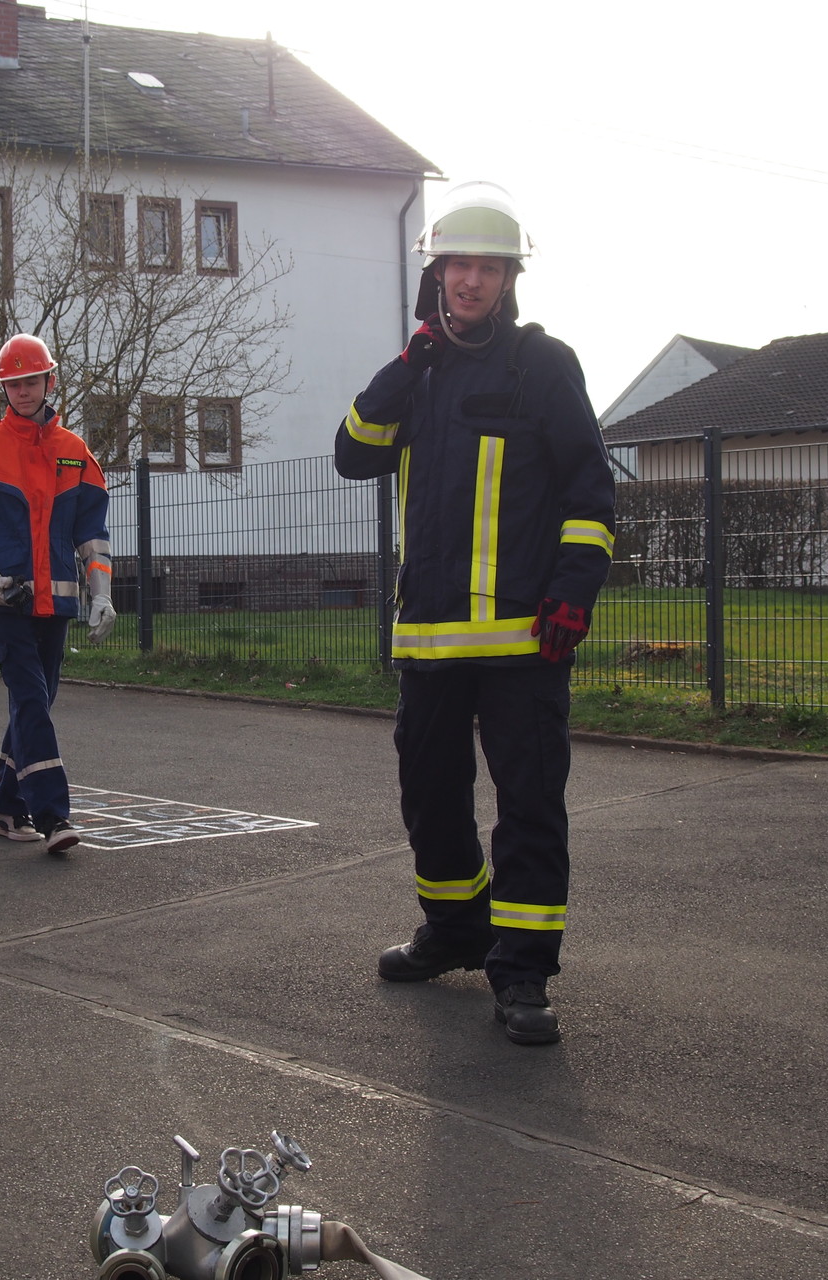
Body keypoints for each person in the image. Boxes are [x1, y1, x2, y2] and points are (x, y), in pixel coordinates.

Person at [333, 182, 617, 1045]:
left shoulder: (543, 365)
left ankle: (522, 971)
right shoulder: (417, 373)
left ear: (509, 280)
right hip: (428, 638)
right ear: (437, 276)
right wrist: (406, 364)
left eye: (488, 268)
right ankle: (455, 930)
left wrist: (573, 593)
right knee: (431, 798)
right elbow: (352, 453)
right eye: (457, 266)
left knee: (528, 805)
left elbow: (590, 491)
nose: (470, 280)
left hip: (525, 640)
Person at [0, 334, 115, 856]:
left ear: (49, 381)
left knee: (35, 704)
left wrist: (102, 595)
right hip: (5, 602)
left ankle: (5, 807)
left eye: (30, 381)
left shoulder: (76, 453)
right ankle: (52, 814)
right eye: (13, 384)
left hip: (56, 603)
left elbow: (93, 536)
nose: (22, 392)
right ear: (5, 387)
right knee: (29, 700)